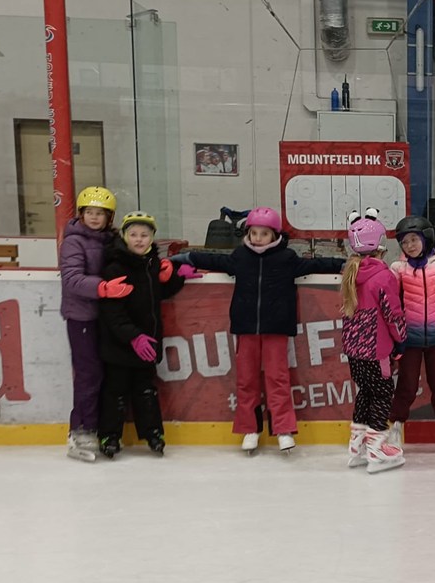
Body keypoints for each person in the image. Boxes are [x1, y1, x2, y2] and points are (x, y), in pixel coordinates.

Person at [172, 207, 344, 454]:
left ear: (274, 235)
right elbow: (213, 260)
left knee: (278, 379)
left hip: (276, 329)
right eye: (254, 233)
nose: (258, 238)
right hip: (246, 328)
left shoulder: (286, 258)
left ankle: (283, 429)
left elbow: (316, 264)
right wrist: (185, 259)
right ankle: (250, 429)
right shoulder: (240, 256)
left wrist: (345, 265)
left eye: (263, 233)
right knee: (246, 380)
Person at [97, 211, 190, 458]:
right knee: (115, 392)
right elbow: (112, 313)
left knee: (146, 391)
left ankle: (153, 433)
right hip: (119, 346)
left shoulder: (151, 265)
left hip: (147, 344)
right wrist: (133, 336)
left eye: (144, 235)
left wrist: (178, 277)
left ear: (152, 238)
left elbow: (159, 292)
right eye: (134, 235)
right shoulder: (114, 267)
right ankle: (109, 436)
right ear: (124, 236)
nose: (139, 239)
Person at [60, 186, 134, 462]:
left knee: (107, 374)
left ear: (109, 217)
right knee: (88, 374)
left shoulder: (111, 240)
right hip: (82, 317)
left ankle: (103, 429)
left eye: (99, 213)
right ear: (81, 214)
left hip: (105, 317)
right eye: (89, 212)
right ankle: (80, 430)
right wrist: (102, 288)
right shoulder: (73, 242)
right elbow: (71, 278)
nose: (94, 217)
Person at [388, 215, 435, 453]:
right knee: (407, 385)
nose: (409, 245)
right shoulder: (398, 269)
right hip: (409, 340)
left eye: (414, 239)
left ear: (426, 238)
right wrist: (392, 339)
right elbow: (391, 306)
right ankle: (396, 426)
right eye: (404, 242)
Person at [340, 209, 408, 473]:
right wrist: (401, 340)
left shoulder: (351, 273)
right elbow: (393, 314)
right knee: (382, 394)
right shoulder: (383, 277)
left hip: (354, 352)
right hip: (376, 351)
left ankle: (356, 447)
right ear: (381, 247)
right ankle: (376, 449)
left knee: (366, 393)